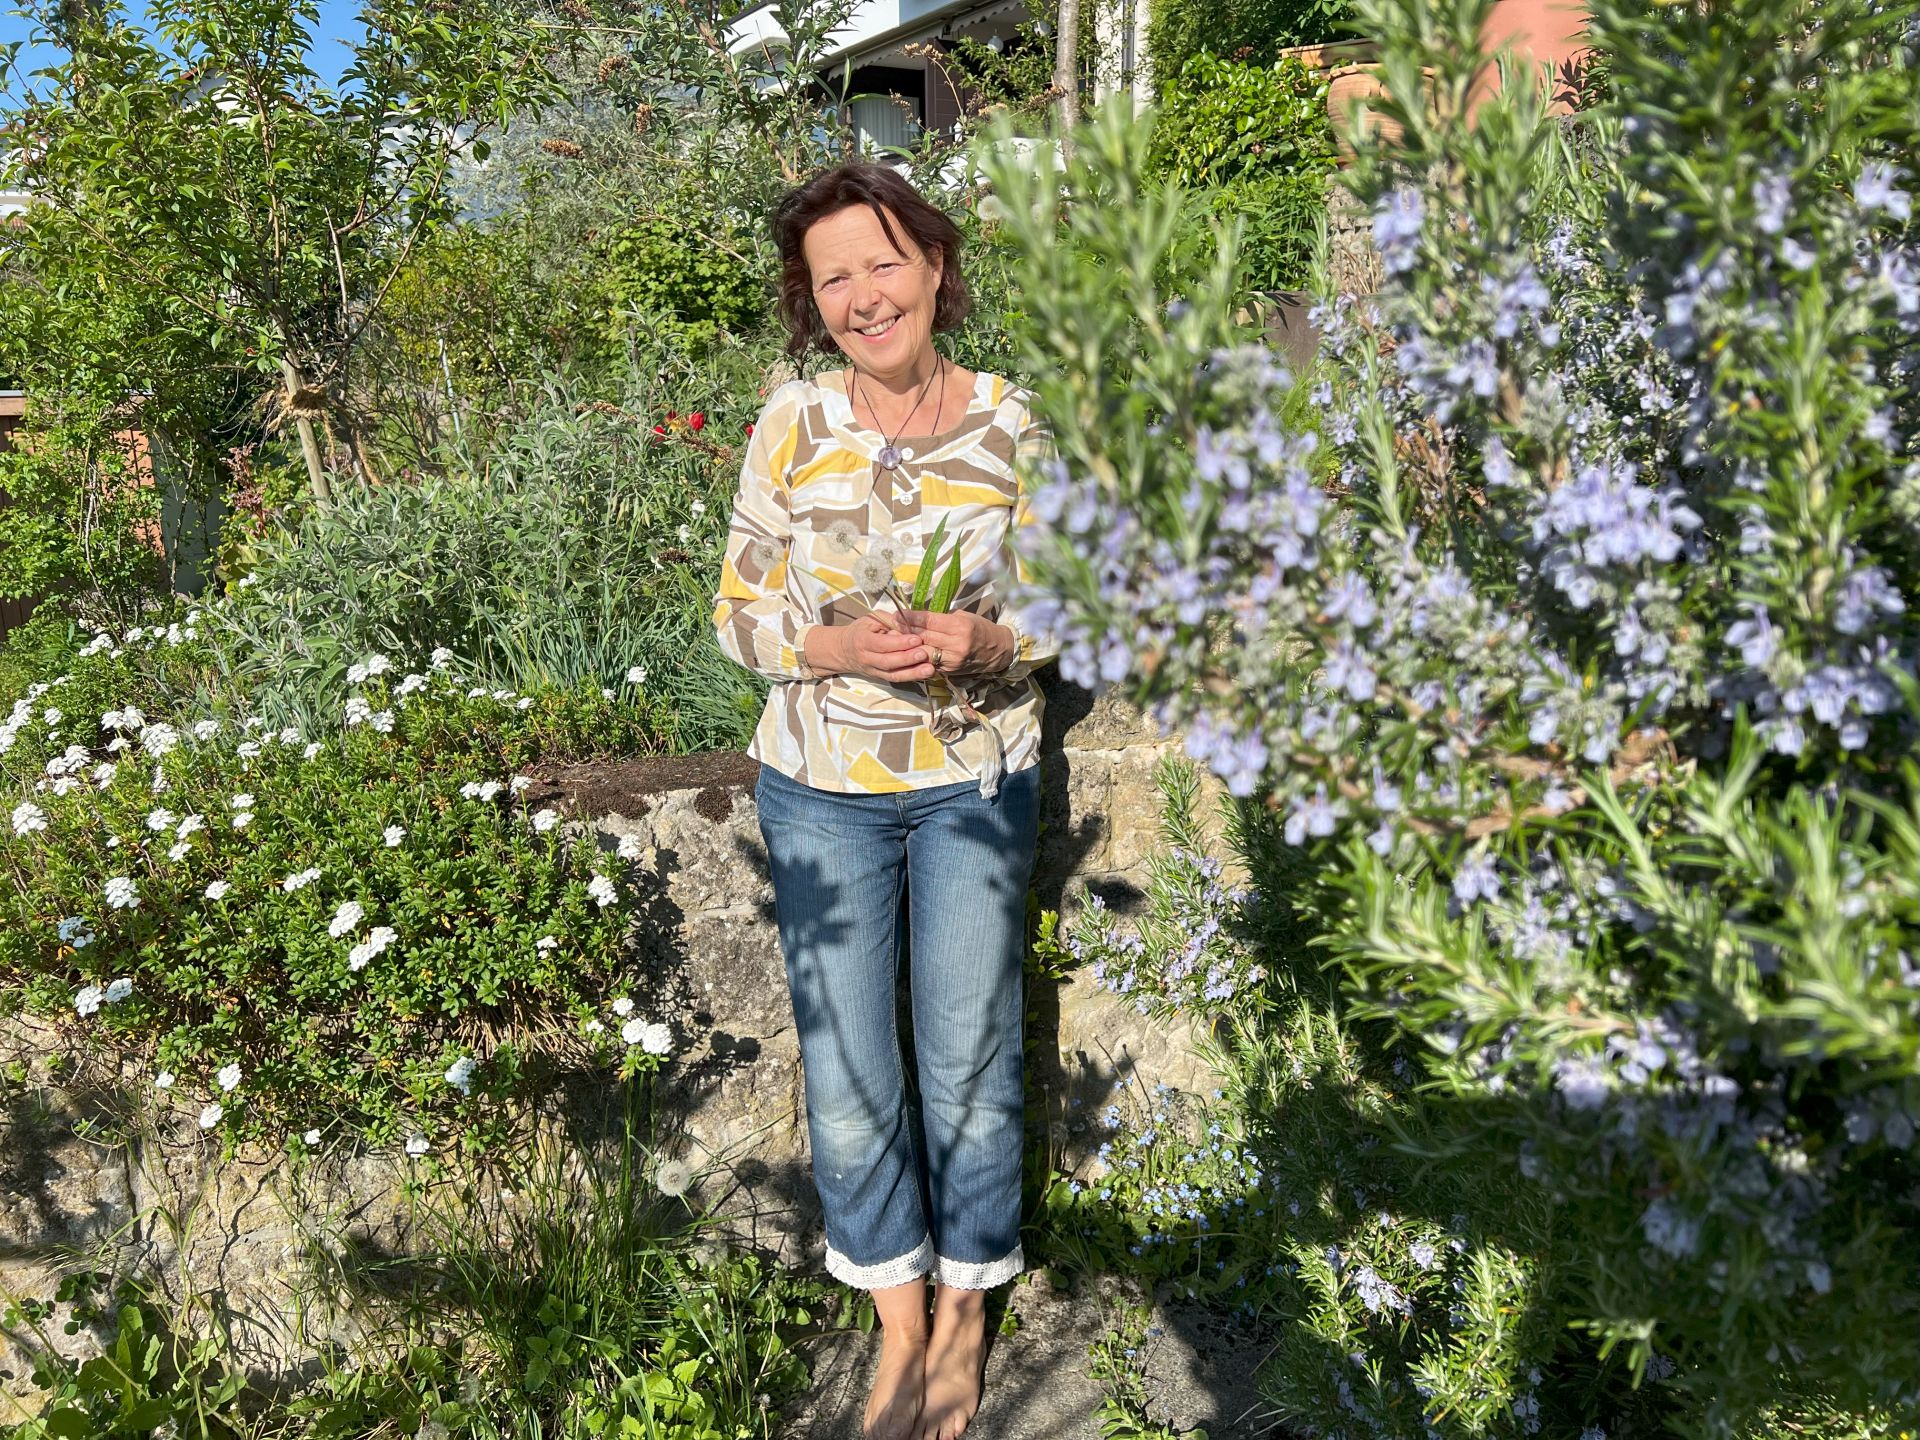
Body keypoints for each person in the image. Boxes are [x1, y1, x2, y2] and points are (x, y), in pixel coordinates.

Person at [711, 162, 1058, 1440]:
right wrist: (835, 649)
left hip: (973, 783)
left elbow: (1070, 609)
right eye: (833, 277)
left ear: (934, 266)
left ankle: (966, 1310)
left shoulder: (1017, 425)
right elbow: (739, 614)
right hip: (819, 791)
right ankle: (896, 1316)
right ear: (812, 305)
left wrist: (987, 645)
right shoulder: (789, 423)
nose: (864, 296)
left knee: (967, 1056)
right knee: (851, 1072)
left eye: (883, 260)